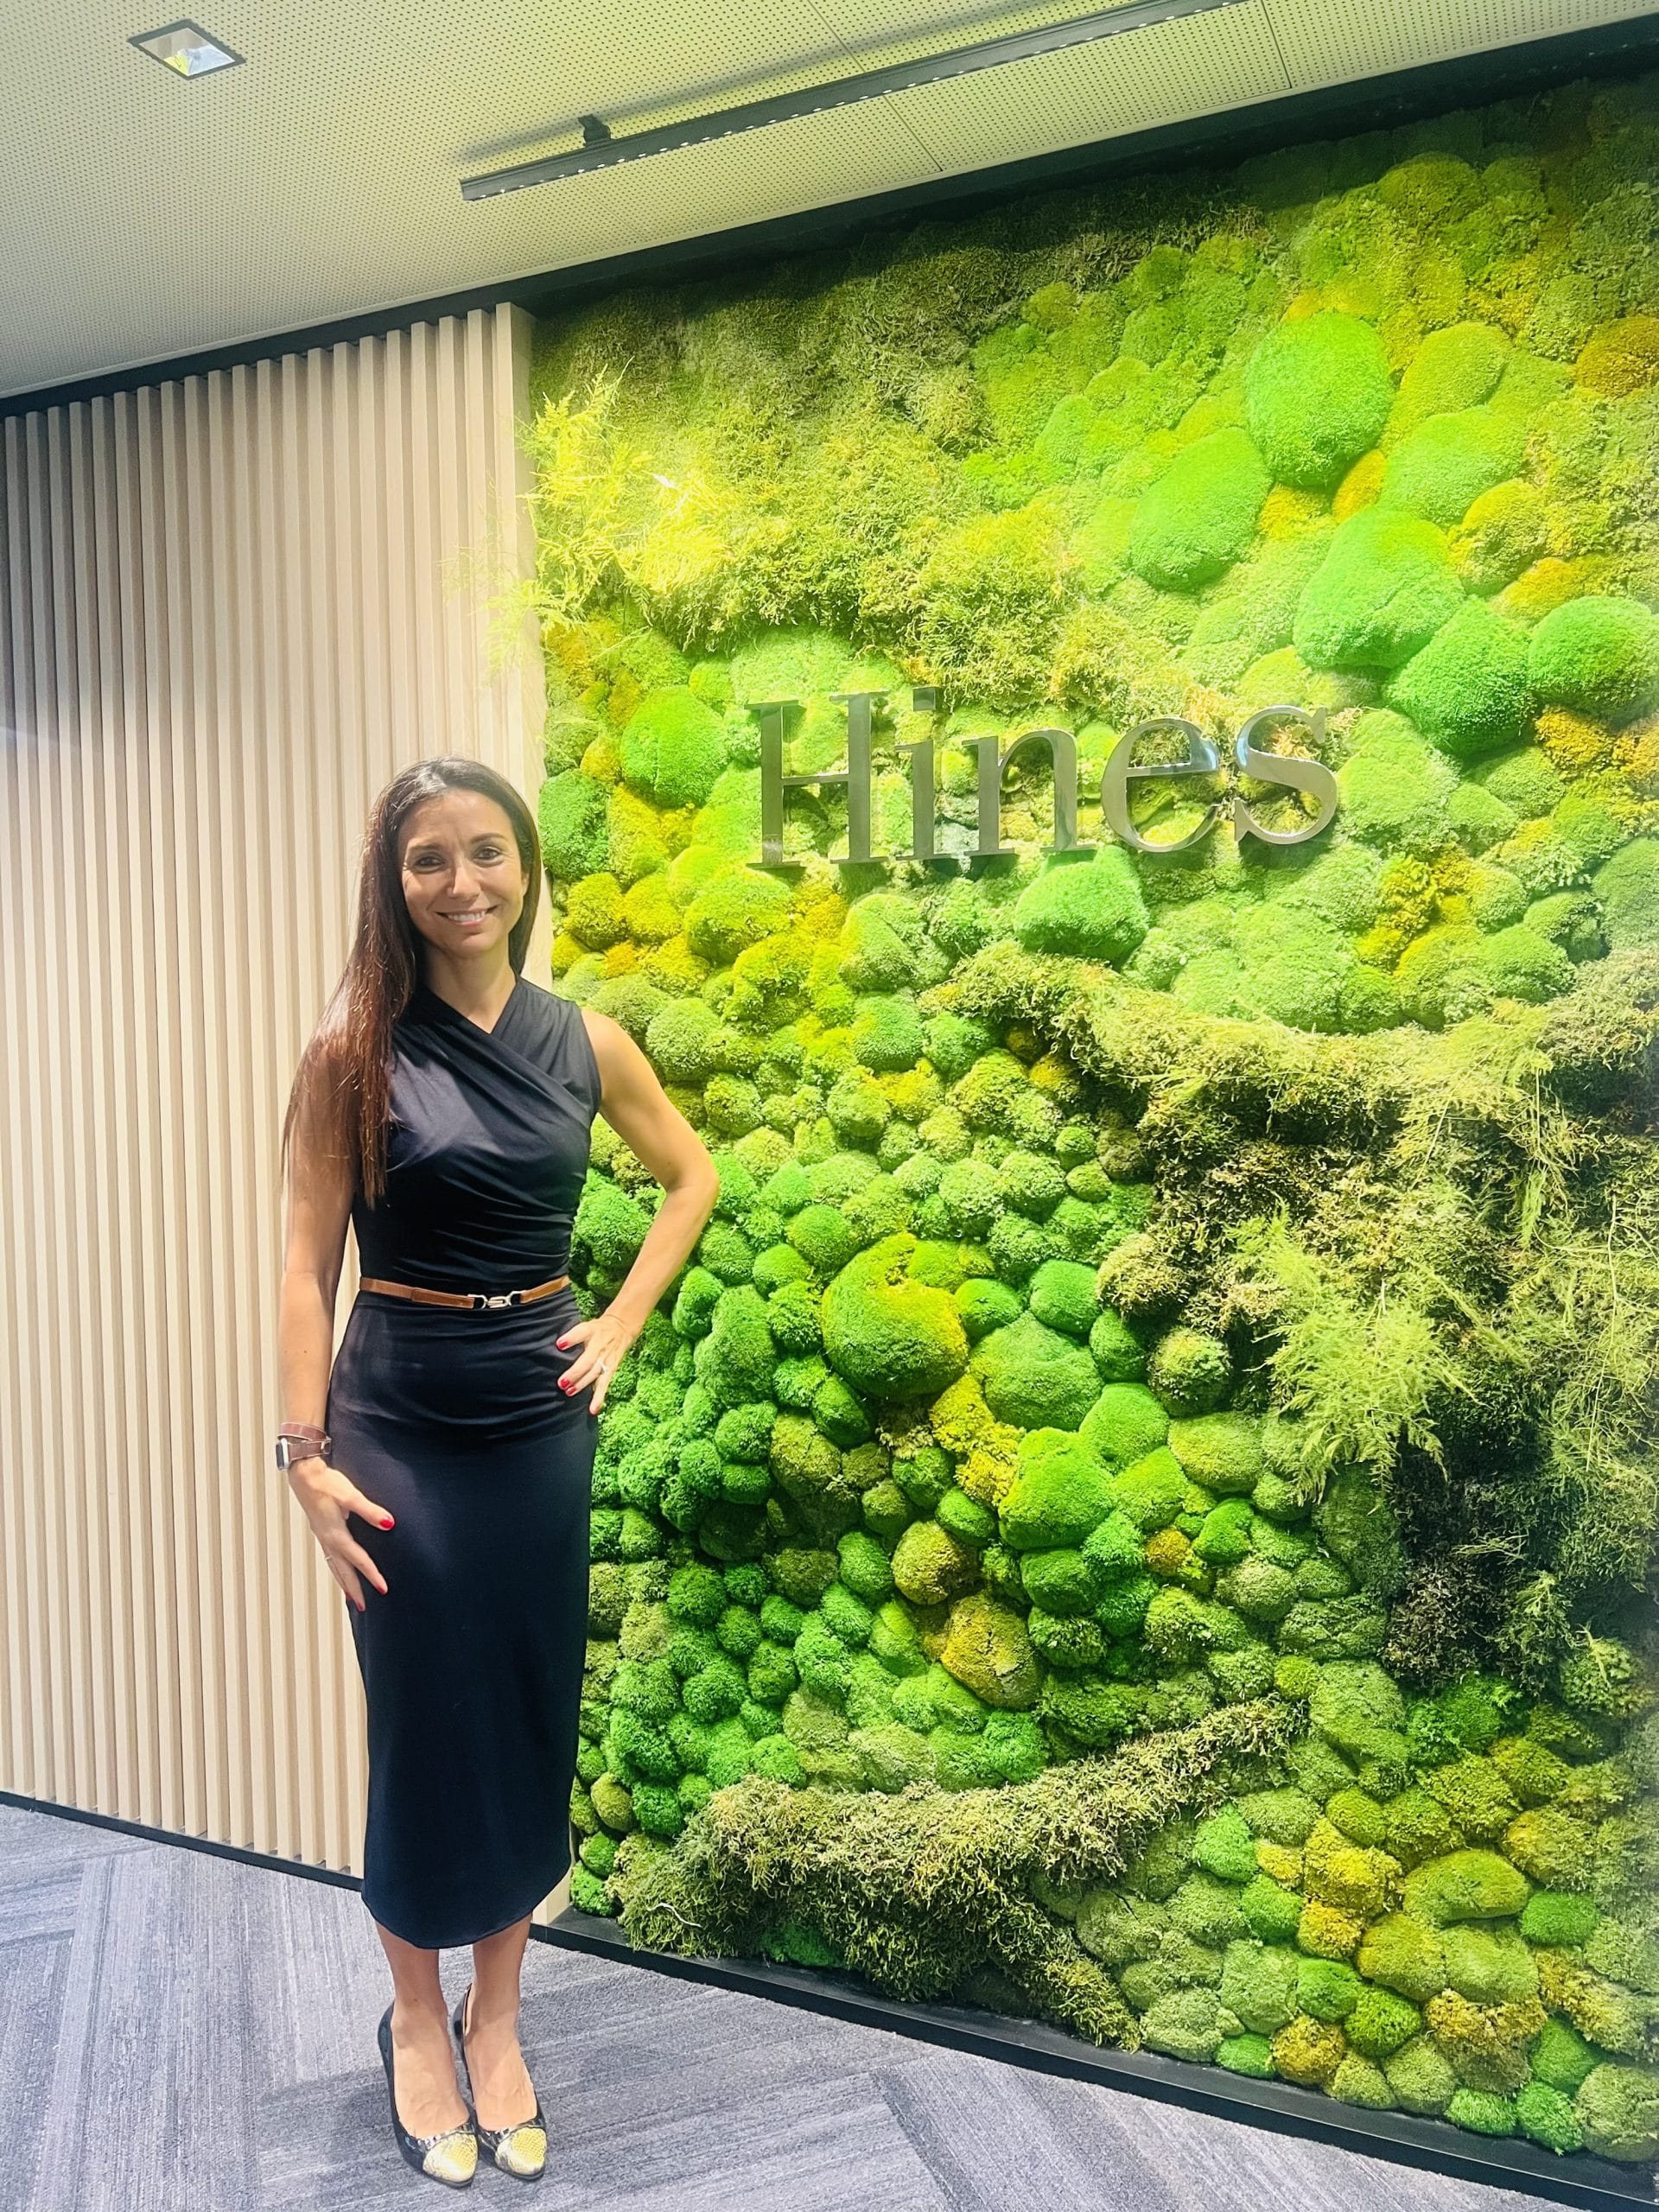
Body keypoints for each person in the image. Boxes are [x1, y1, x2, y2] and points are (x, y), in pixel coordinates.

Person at [276, 757, 717, 2187]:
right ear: (391, 884)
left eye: (486, 853)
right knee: (421, 1721)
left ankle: (502, 2014)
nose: (461, 882)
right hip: (396, 1411)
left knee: (529, 1711)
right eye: (427, 860)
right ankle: (416, 2020)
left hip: (536, 1416)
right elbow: (304, 1267)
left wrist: (626, 1319)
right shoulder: (353, 1055)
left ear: (524, 868)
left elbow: (688, 1177)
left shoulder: (586, 1039)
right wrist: (300, 1454)